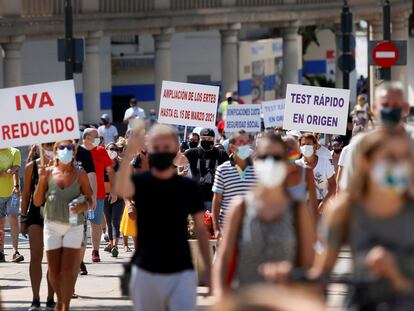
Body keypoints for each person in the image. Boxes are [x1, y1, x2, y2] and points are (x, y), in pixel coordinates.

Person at [313, 131, 414, 309]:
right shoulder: (344, 210)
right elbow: (321, 273)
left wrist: (395, 276)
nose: (399, 164)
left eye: (405, 157)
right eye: (390, 157)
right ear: (366, 162)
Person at [117, 124, 211, 311]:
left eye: (166, 147)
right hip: (145, 270)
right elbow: (120, 189)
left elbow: (201, 229)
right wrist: (129, 153)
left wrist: (209, 269)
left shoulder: (188, 187)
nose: (161, 152)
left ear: (175, 149)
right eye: (157, 148)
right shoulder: (140, 183)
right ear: (149, 149)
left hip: (182, 270)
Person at [213, 133, 315, 297]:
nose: (270, 162)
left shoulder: (297, 209)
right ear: (255, 161)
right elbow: (223, 260)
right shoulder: (240, 207)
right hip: (246, 301)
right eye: (264, 156)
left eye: (276, 157)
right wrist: (220, 296)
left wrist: (291, 274)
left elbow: (309, 266)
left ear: (286, 163)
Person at [33, 141, 93, 311]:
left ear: (74, 152)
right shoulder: (48, 172)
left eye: (69, 148)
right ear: (55, 151)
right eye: (62, 148)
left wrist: (82, 206)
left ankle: (63, 305)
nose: (65, 151)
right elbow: (38, 201)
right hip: (51, 225)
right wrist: (42, 179)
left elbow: (90, 199)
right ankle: (60, 299)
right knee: (53, 270)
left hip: (73, 226)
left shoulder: (80, 173)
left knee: (67, 270)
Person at [339, 81, 412, 192]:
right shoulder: (360, 145)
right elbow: (349, 192)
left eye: (396, 105)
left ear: (405, 108)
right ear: (374, 109)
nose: (391, 109)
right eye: (385, 105)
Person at [21, 144, 56, 311]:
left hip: (56, 214)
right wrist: (23, 219)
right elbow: (26, 194)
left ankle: (50, 299)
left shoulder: (63, 165)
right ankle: (35, 299)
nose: (48, 149)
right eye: (45, 145)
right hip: (35, 213)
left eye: (51, 145)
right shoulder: (31, 167)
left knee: (52, 257)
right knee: (36, 255)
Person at [212, 130, 256, 240]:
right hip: (227, 230)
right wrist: (216, 228)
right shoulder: (222, 169)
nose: (245, 145)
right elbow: (217, 201)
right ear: (232, 147)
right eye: (241, 142)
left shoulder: (258, 169)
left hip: (252, 232)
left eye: (247, 142)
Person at [82, 128, 117, 263]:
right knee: (79, 225)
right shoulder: (77, 151)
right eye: (96, 136)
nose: (99, 139)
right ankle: (76, 254)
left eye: (99, 137)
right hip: (79, 195)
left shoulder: (101, 151)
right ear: (87, 137)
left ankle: (95, 251)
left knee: (95, 224)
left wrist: (113, 190)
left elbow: (110, 171)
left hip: (99, 195)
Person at [183, 128, 229, 211]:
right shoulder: (192, 153)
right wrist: (181, 152)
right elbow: (175, 163)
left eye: (209, 139)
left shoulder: (222, 154)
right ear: (199, 139)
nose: (206, 140)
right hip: (197, 199)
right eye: (203, 138)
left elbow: (229, 174)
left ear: (214, 139)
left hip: (215, 199)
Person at [297, 133, 336, 216]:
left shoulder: (324, 162)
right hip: (302, 205)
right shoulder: (297, 165)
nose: (306, 146)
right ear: (300, 147)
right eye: (303, 144)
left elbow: (333, 184)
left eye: (309, 144)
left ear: (314, 146)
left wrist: (324, 202)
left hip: (321, 204)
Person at [283, 135, 318, 214]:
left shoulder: (307, 172)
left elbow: (314, 205)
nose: (289, 152)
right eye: (286, 148)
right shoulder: (271, 172)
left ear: (298, 151)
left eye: (292, 149)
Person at [0, 146, 22, 263]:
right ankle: (1, 252)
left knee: (13, 219)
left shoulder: (15, 151)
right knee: (0, 223)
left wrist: (15, 186)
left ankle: (15, 251)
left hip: (13, 192)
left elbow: (16, 168)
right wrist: (6, 172)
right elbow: (12, 170)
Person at [103, 143, 124, 257]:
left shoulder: (121, 165)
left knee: (115, 222)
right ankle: (111, 244)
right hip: (105, 196)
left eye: (115, 149)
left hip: (119, 197)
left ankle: (115, 245)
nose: (112, 151)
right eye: (110, 149)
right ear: (106, 150)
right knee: (108, 222)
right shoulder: (102, 165)